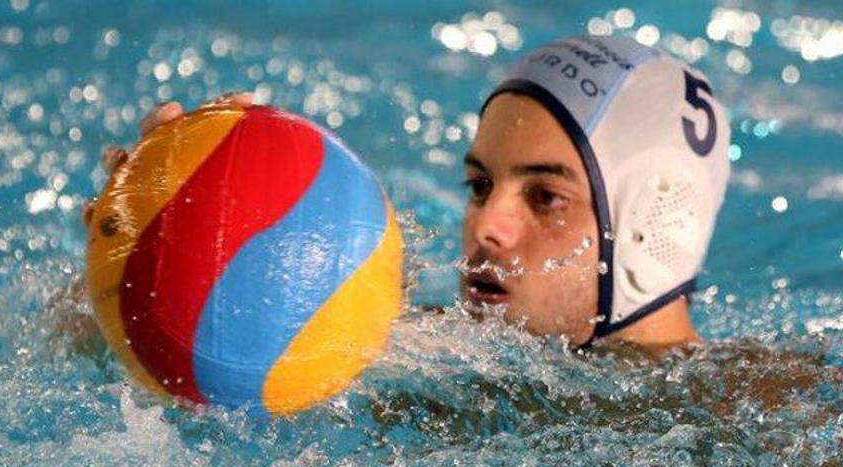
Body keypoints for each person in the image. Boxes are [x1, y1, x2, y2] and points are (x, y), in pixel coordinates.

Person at [83, 35, 730, 353]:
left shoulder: (757, 410)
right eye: (479, 185)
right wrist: (145, 259)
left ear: (652, 228)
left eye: (544, 197)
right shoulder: (427, 358)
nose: (486, 225)